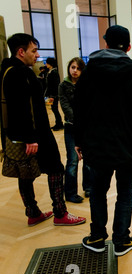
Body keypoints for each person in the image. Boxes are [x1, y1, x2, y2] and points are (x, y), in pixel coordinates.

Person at [74, 25, 132, 257]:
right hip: (130, 149)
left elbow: (79, 112)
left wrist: (78, 141)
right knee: (125, 194)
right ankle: (121, 240)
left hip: (97, 146)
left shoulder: (88, 74)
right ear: (129, 47)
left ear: (106, 43)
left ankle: (97, 237)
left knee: (98, 191)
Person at [0, 33, 86, 227]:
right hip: (35, 134)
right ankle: (60, 213)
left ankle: (33, 213)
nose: (37, 55)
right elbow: (19, 108)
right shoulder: (19, 72)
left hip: (23, 134)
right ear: (21, 52)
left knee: (26, 173)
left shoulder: (8, 70)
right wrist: (30, 138)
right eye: (34, 50)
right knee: (56, 169)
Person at [59, 57, 91, 203]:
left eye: (78, 68)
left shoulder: (87, 84)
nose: (75, 71)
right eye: (72, 67)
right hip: (71, 127)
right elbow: (65, 106)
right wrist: (78, 121)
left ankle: (89, 187)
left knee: (89, 159)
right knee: (72, 160)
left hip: (87, 127)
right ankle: (70, 193)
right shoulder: (63, 85)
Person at [44, 57, 63, 131]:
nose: (46, 64)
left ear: (50, 64)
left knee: (55, 109)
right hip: (51, 94)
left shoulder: (54, 72)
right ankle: (58, 123)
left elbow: (55, 85)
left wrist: (53, 96)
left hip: (53, 95)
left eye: (47, 63)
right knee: (53, 109)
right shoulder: (50, 71)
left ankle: (59, 124)